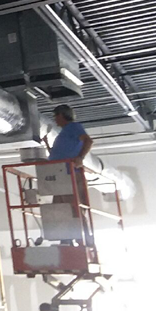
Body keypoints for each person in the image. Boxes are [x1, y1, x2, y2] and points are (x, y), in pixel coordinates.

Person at [48, 104, 94, 245]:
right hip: (60, 175)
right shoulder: (64, 133)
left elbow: (88, 140)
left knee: (73, 208)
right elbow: (60, 153)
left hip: (69, 174)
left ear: (62, 115)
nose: (55, 119)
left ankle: (83, 240)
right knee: (60, 209)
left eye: (56, 116)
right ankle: (66, 239)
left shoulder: (73, 127)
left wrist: (80, 158)